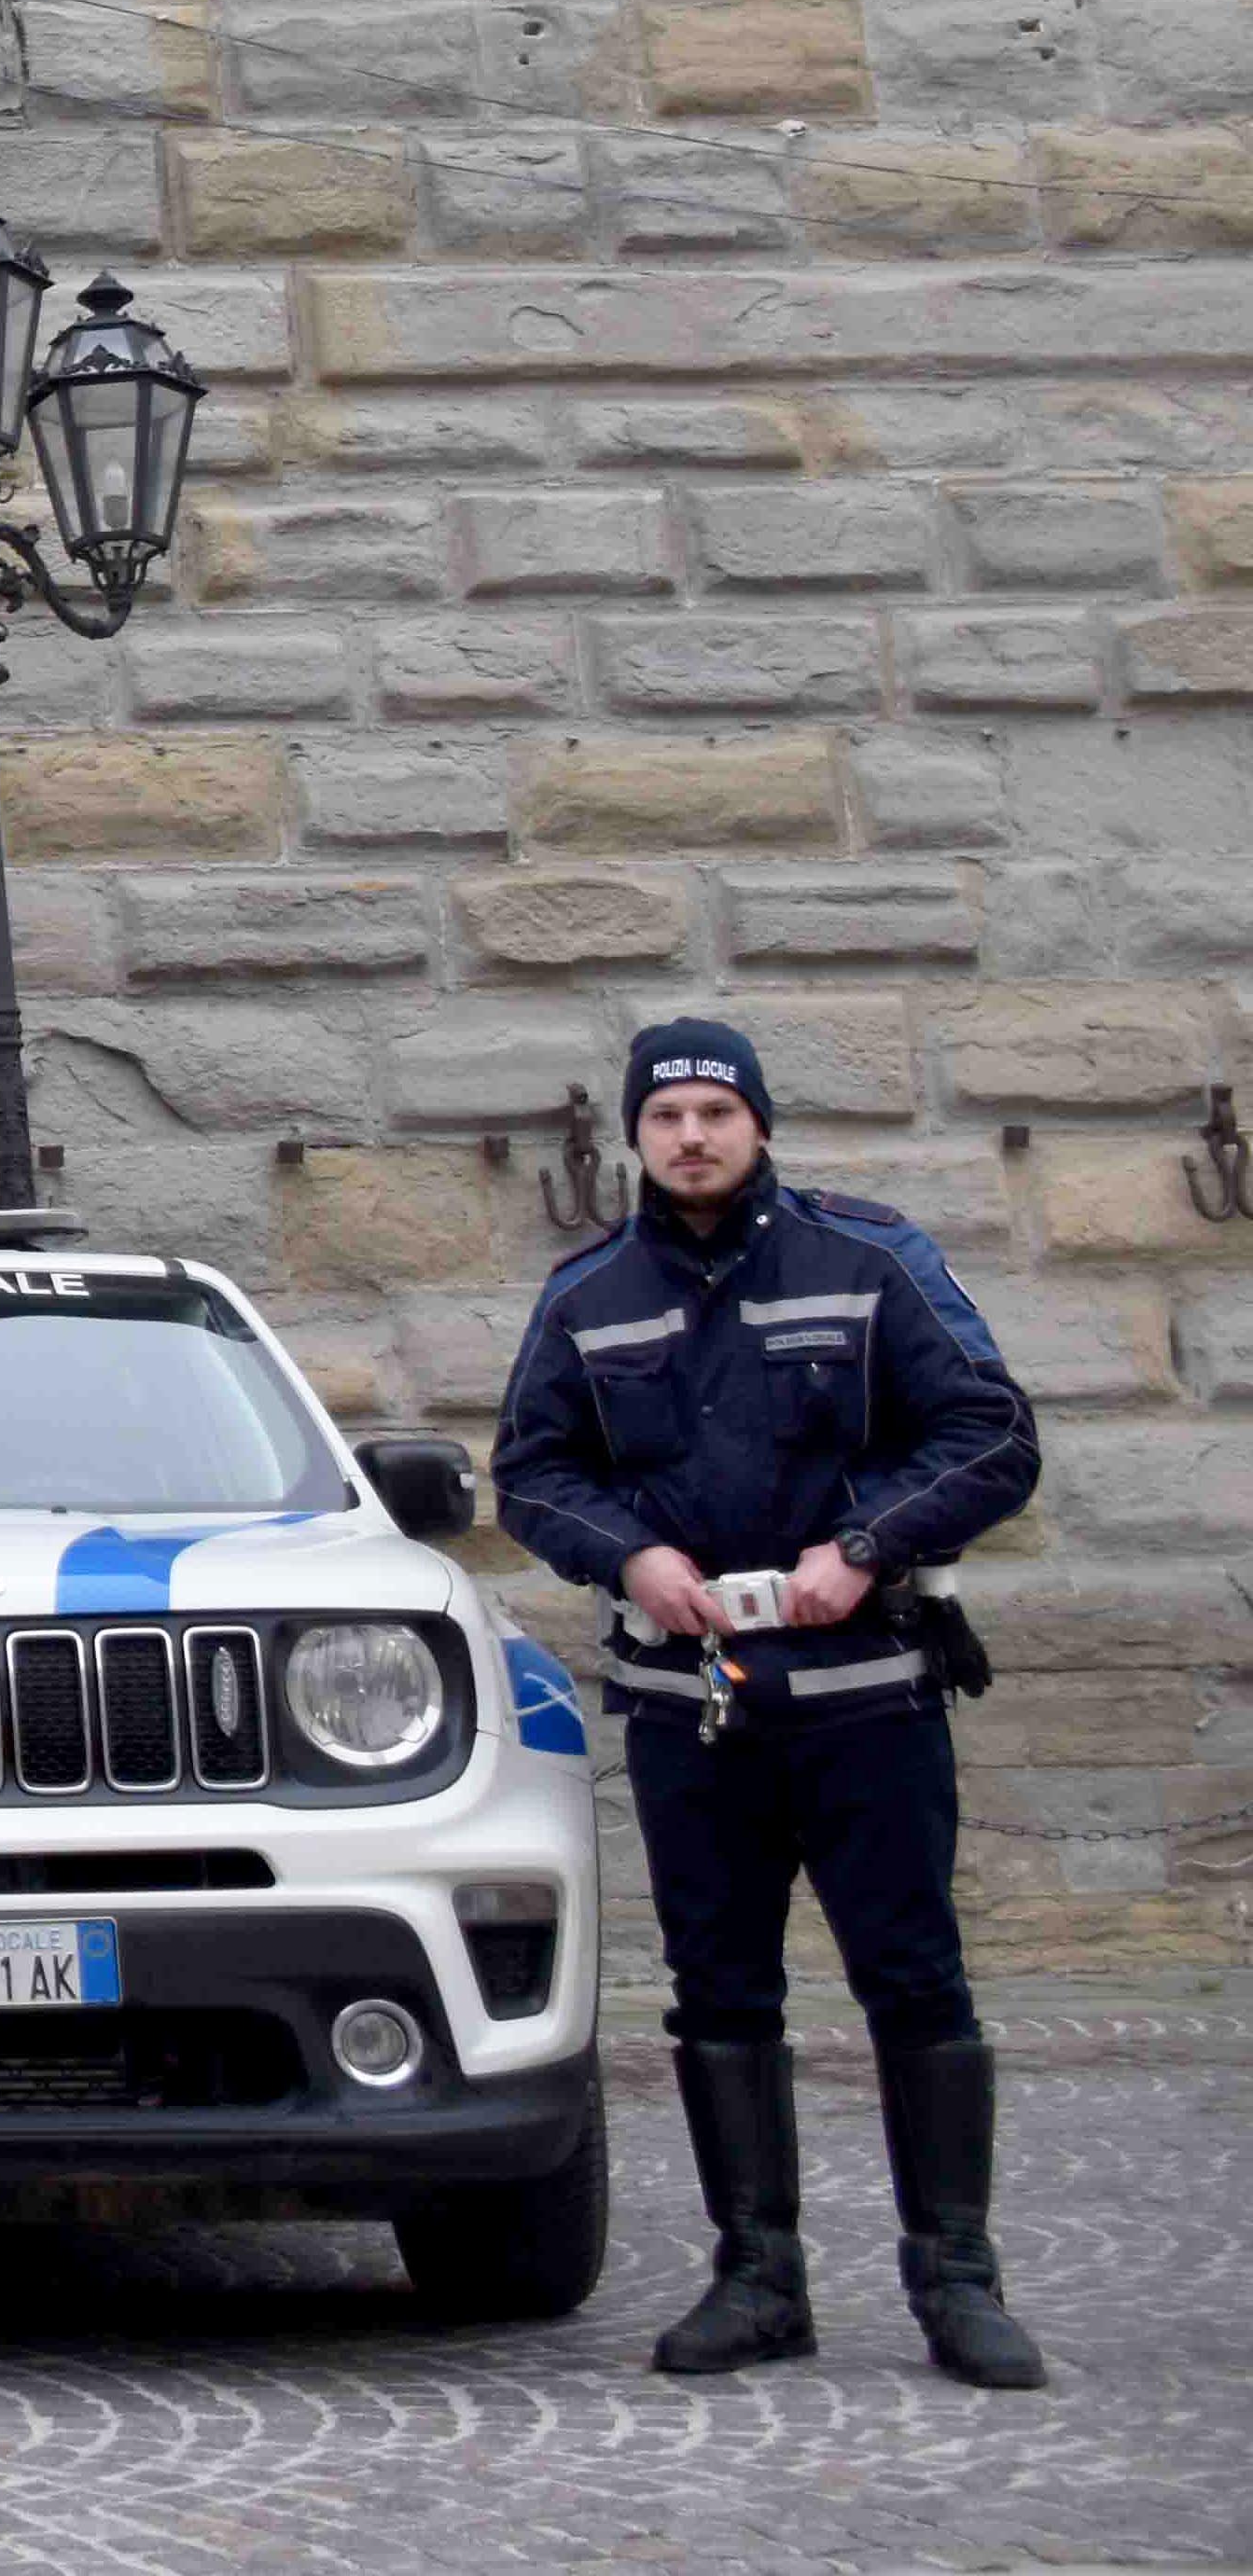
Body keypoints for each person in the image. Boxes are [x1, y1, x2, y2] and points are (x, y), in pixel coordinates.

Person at [495, 1018, 1048, 2389]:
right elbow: (533, 1473)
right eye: (666, 1115)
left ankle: (957, 2281)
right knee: (719, 1992)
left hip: (868, 1700)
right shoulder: (588, 1295)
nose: (691, 1136)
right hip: (691, 1711)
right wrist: (632, 1556)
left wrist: (863, 1547)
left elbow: (992, 1432)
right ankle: (757, 2280)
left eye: (715, 1113)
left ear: (758, 1124)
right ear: (637, 1134)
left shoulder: (868, 1261)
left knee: (915, 1982)